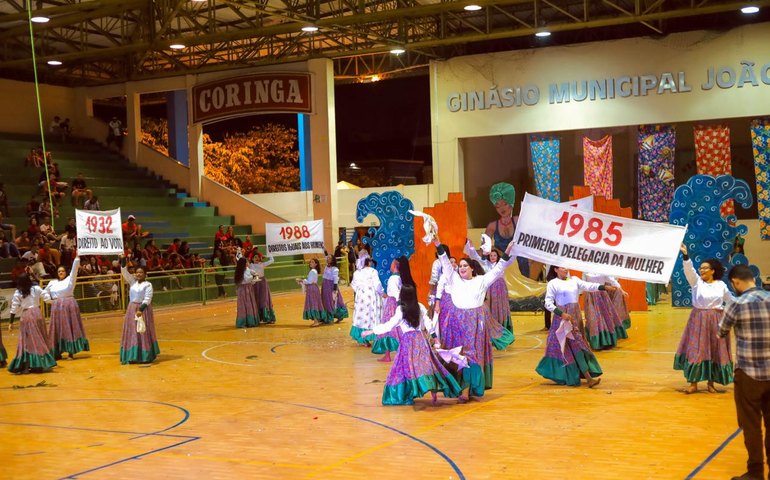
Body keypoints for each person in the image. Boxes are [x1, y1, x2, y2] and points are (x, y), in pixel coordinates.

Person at [433, 234, 515, 402]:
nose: (461, 268)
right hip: (457, 323)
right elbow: (445, 262)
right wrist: (437, 242)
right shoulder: (454, 279)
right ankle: (460, 386)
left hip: (475, 324)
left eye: (465, 265)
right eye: (460, 266)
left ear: (472, 268)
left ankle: (468, 388)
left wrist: (507, 251)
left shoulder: (481, 280)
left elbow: (499, 268)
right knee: (458, 356)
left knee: (472, 356)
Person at [362, 284, 461, 406]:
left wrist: (372, 331)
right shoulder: (420, 307)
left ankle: (406, 392)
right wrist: (435, 338)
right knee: (427, 364)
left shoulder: (401, 310)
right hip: (420, 339)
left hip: (408, 341)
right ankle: (433, 391)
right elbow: (428, 323)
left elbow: (390, 325)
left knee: (406, 367)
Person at [718, 265, 770, 480]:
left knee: (751, 425)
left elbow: (721, 331)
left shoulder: (736, 304)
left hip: (748, 373)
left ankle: (755, 472)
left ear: (735, 283)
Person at [535, 266, 615, 387]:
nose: (565, 270)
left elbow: (589, 286)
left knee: (578, 346)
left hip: (575, 318)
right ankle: (586, 378)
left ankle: (587, 378)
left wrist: (603, 287)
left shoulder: (574, 280)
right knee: (570, 347)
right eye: (562, 268)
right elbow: (548, 302)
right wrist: (561, 313)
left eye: (566, 267)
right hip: (561, 320)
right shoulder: (553, 283)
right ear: (556, 270)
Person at [674, 244, 734, 394]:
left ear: (713, 271)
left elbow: (731, 300)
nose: (701, 270)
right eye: (701, 268)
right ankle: (693, 384)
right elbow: (689, 270)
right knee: (696, 350)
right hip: (698, 320)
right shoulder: (696, 283)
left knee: (714, 350)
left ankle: (710, 384)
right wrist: (686, 256)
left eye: (705, 268)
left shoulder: (721, 285)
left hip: (716, 321)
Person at [7, 273, 57, 373]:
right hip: (37, 314)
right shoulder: (36, 288)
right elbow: (45, 295)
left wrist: (11, 322)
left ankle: (27, 365)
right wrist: (50, 300)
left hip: (26, 316)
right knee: (39, 338)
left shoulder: (18, 292)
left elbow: (14, 308)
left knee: (26, 341)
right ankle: (40, 363)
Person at [44, 255, 89, 359]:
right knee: (57, 329)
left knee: (69, 328)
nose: (60, 273)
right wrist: (48, 301)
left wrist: (77, 258)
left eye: (62, 271)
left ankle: (70, 352)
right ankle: (57, 351)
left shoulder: (70, 279)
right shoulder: (52, 283)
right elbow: (44, 292)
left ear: (66, 272)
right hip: (57, 308)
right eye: (59, 271)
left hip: (68, 307)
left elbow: (74, 270)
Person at [465, 239, 514, 334]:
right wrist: (470, 246)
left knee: (501, 307)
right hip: (489, 289)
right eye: (491, 255)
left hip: (500, 289)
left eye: (495, 255)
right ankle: (490, 328)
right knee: (490, 307)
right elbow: (474, 256)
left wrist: (515, 250)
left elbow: (511, 259)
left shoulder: (501, 264)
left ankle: (503, 327)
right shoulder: (484, 263)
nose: (492, 257)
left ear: (497, 256)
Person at [371, 257, 414, 362]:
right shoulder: (401, 278)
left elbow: (395, 293)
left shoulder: (392, 279)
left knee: (390, 328)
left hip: (393, 304)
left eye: (391, 263)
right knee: (397, 328)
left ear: (395, 266)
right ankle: (390, 354)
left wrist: (398, 303)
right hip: (398, 303)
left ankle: (390, 354)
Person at [120, 259, 159, 364]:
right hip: (132, 308)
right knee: (132, 331)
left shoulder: (148, 285)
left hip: (143, 309)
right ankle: (132, 356)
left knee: (143, 331)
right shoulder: (133, 282)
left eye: (141, 272)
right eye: (137, 272)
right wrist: (123, 262)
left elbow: (148, 298)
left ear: (145, 274)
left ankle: (145, 356)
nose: (138, 274)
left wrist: (141, 310)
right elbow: (124, 273)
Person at [582, 272, 627, 350]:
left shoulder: (601, 270)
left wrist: (621, 290)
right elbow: (582, 284)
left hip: (602, 296)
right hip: (591, 297)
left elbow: (612, 280)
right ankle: (596, 342)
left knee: (605, 318)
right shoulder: (586, 271)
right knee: (593, 319)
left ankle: (607, 341)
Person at [349, 257, 384, 345]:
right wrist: (382, 293)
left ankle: (363, 339)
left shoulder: (356, 273)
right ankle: (374, 335)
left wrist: (360, 291)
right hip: (371, 296)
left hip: (361, 296)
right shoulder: (373, 271)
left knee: (361, 316)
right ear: (368, 263)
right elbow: (377, 284)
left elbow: (353, 284)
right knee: (372, 315)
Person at [249, 252, 276, 324]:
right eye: (255, 257)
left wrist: (267, 255)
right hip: (255, 284)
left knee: (264, 300)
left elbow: (272, 260)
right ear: (252, 259)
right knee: (256, 300)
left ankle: (267, 318)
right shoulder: (250, 265)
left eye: (258, 257)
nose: (257, 258)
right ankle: (257, 318)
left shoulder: (262, 264)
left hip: (263, 284)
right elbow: (240, 261)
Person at [297, 258, 325, 327]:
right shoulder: (314, 271)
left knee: (313, 303)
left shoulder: (313, 271)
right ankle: (317, 320)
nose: (310, 263)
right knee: (315, 303)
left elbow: (309, 281)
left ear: (315, 264)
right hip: (313, 288)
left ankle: (316, 321)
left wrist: (301, 280)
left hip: (312, 289)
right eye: (310, 262)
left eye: (312, 262)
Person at [321, 255, 348, 324]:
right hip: (325, 286)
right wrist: (323, 248)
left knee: (334, 301)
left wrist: (335, 289)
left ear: (332, 260)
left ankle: (335, 317)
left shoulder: (335, 269)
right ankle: (329, 317)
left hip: (331, 287)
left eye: (329, 258)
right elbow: (326, 255)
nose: (327, 259)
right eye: (327, 258)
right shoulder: (327, 267)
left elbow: (335, 279)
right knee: (326, 301)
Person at [234, 257, 259, 328]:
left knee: (250, 304)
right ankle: (242, 323)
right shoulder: (240, 271)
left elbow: (253, 278)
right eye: (246, 262)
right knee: (243, 305)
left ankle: (251, 322)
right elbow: (247, 279)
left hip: (249, 288)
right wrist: (253, 276)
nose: (247, 263)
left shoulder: (247, 269)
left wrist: (255, 277)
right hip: (243, 290)